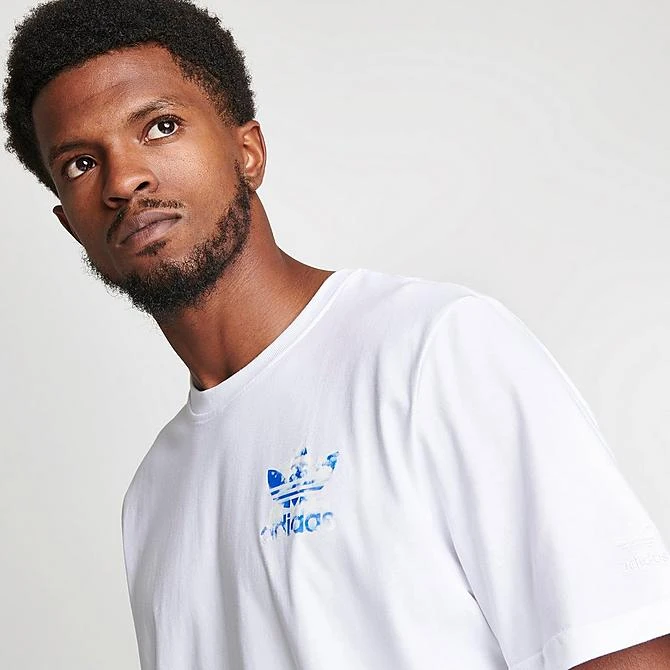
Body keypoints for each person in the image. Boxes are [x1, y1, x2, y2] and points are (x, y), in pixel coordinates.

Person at [3, 1, 670, 668]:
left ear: (247, 152)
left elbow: (624, 651)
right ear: (70, 225)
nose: (124, 180)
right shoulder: (152, 498)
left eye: (161, 127)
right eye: (81, 164)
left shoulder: (433, 352)